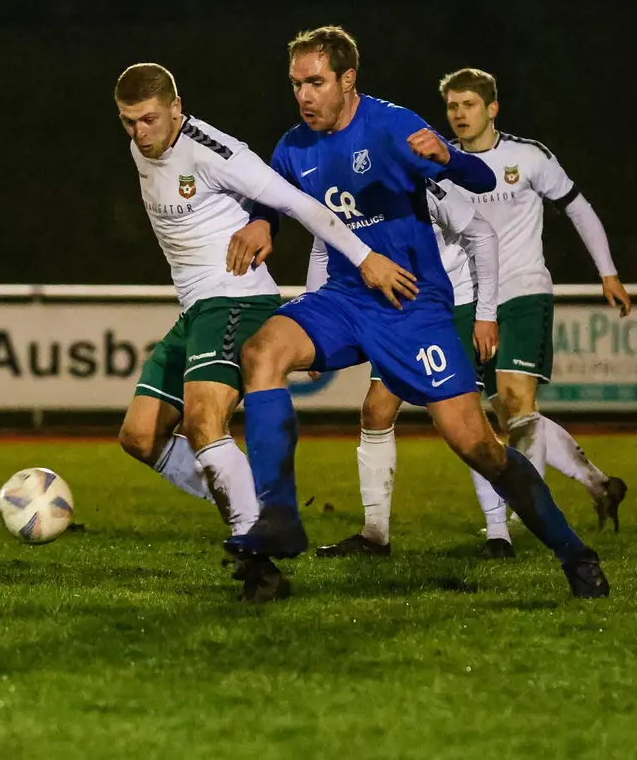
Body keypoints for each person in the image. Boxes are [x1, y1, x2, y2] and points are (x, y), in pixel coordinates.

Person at [231, 26, 609, 598]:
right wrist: (263, 221)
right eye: (295, 84)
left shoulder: (392, 124)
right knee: (261, 352)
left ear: (347, 79)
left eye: (315, 82)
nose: (304, 95)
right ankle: (280, 517)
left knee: (478, 446)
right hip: (345, 297)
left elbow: (479, 178)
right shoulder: (293, 146)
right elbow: (275, 200)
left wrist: (450, 157)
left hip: (413, 307)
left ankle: (574, 553)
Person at [110, 63, 414, 601]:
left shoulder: (215, 151)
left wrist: (364, 258)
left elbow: (299, 202)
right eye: (128, 122)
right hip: (195, 309)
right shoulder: (143, 146)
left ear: (177, 108)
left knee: (205, 420)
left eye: (149, 120)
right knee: (139, 436)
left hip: (236, 298)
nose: (139, 133)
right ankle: (255, 507)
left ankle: (259, 557)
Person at [441, 68, 630, 531]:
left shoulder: (527, 157)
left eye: (468, 105)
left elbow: (577, 206)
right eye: (452, 106)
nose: (459, 114)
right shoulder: (442, 164)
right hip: (471, 298)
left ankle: (527, 513)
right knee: (500, 416)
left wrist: (608, 272)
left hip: (524, 289)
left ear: (492, 108)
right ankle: (600, 485)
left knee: (514, 399)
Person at [311, 179, 509, 558]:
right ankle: (375, 535)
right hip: (399, 311)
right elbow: (323, 249)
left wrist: (485, 315)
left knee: (464, 426)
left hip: (448, 307)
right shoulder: (342, 181)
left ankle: (500, 532)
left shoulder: (420, 180)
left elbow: (482, 234)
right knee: (376, 410)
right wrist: (316, 319)